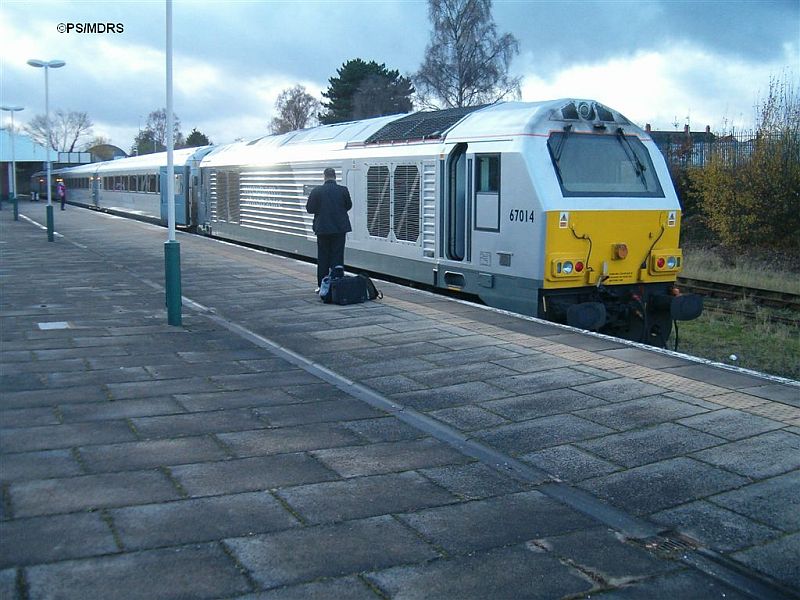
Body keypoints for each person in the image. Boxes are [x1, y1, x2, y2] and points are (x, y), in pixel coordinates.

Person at [306, 167, 352, 290]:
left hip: (323, 229)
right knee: (337, 257)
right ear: (335, 177)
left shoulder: (317, 191)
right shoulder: (343, 190)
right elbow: (349, 206)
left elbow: (309, 209)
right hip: (339, 229)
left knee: (323, 258)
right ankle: (337, 284)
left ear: (324, 176)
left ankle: (322, 286)